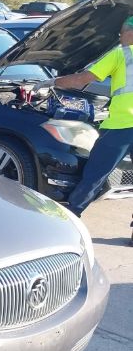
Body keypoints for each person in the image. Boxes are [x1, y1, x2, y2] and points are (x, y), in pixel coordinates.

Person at [48, 15, 133, 244]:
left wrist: (51, 83)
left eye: (121, 33)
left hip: (121, 126)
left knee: (95, 174)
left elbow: (81, 80)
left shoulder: (120, 54)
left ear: (130, 33)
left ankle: (71, 220)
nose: (119, 38)